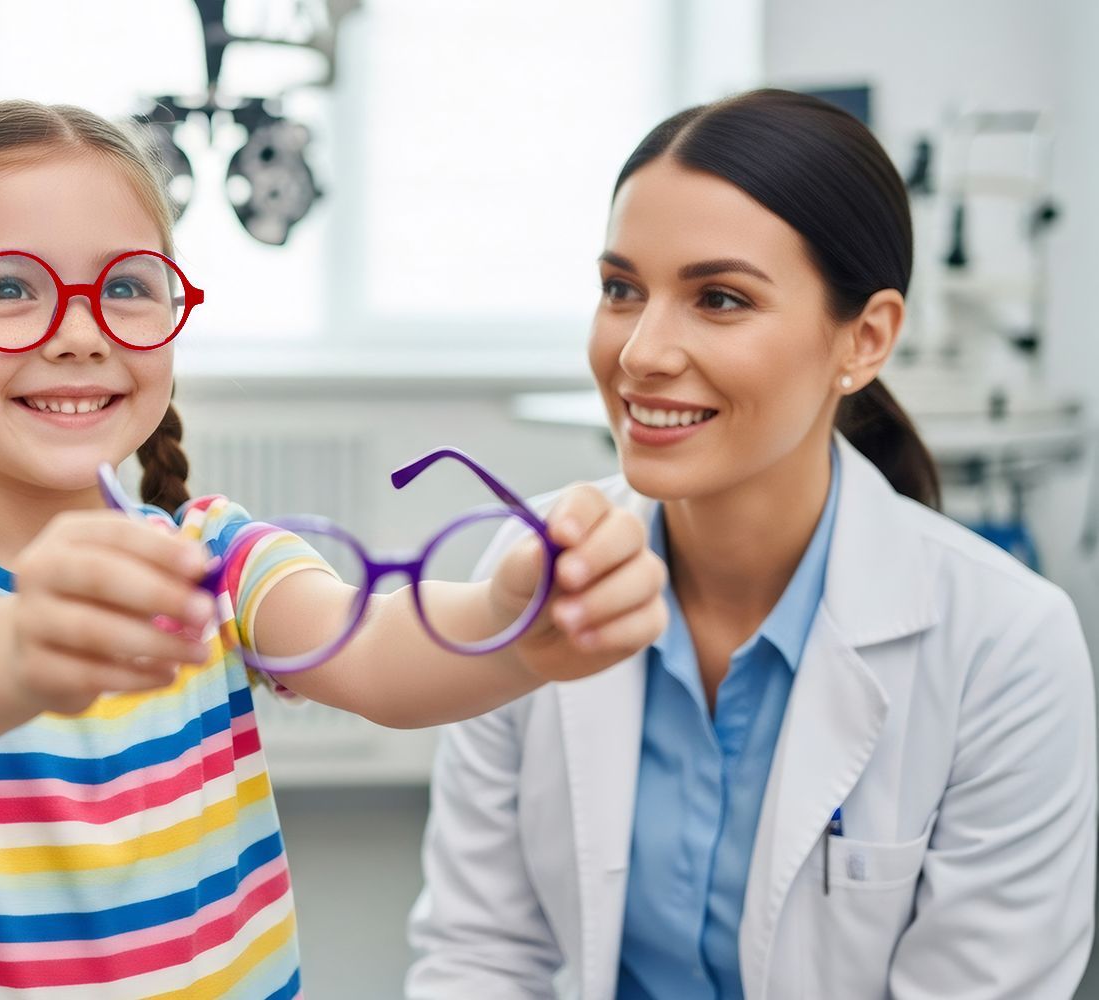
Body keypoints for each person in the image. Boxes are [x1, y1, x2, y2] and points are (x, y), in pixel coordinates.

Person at [0, 99, 667, 998]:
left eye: (123, 287)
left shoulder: (217, 556)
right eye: (6, 288)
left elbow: (381, 652)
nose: (80, 335)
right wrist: (26, 644)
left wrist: (515, 625)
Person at [406, 88, 1096, 999]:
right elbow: (479, 956)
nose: (641, 351)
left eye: (720, 298)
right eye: (621, 289)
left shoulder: (1008, 645)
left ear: (866, 337)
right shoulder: (529, 574)